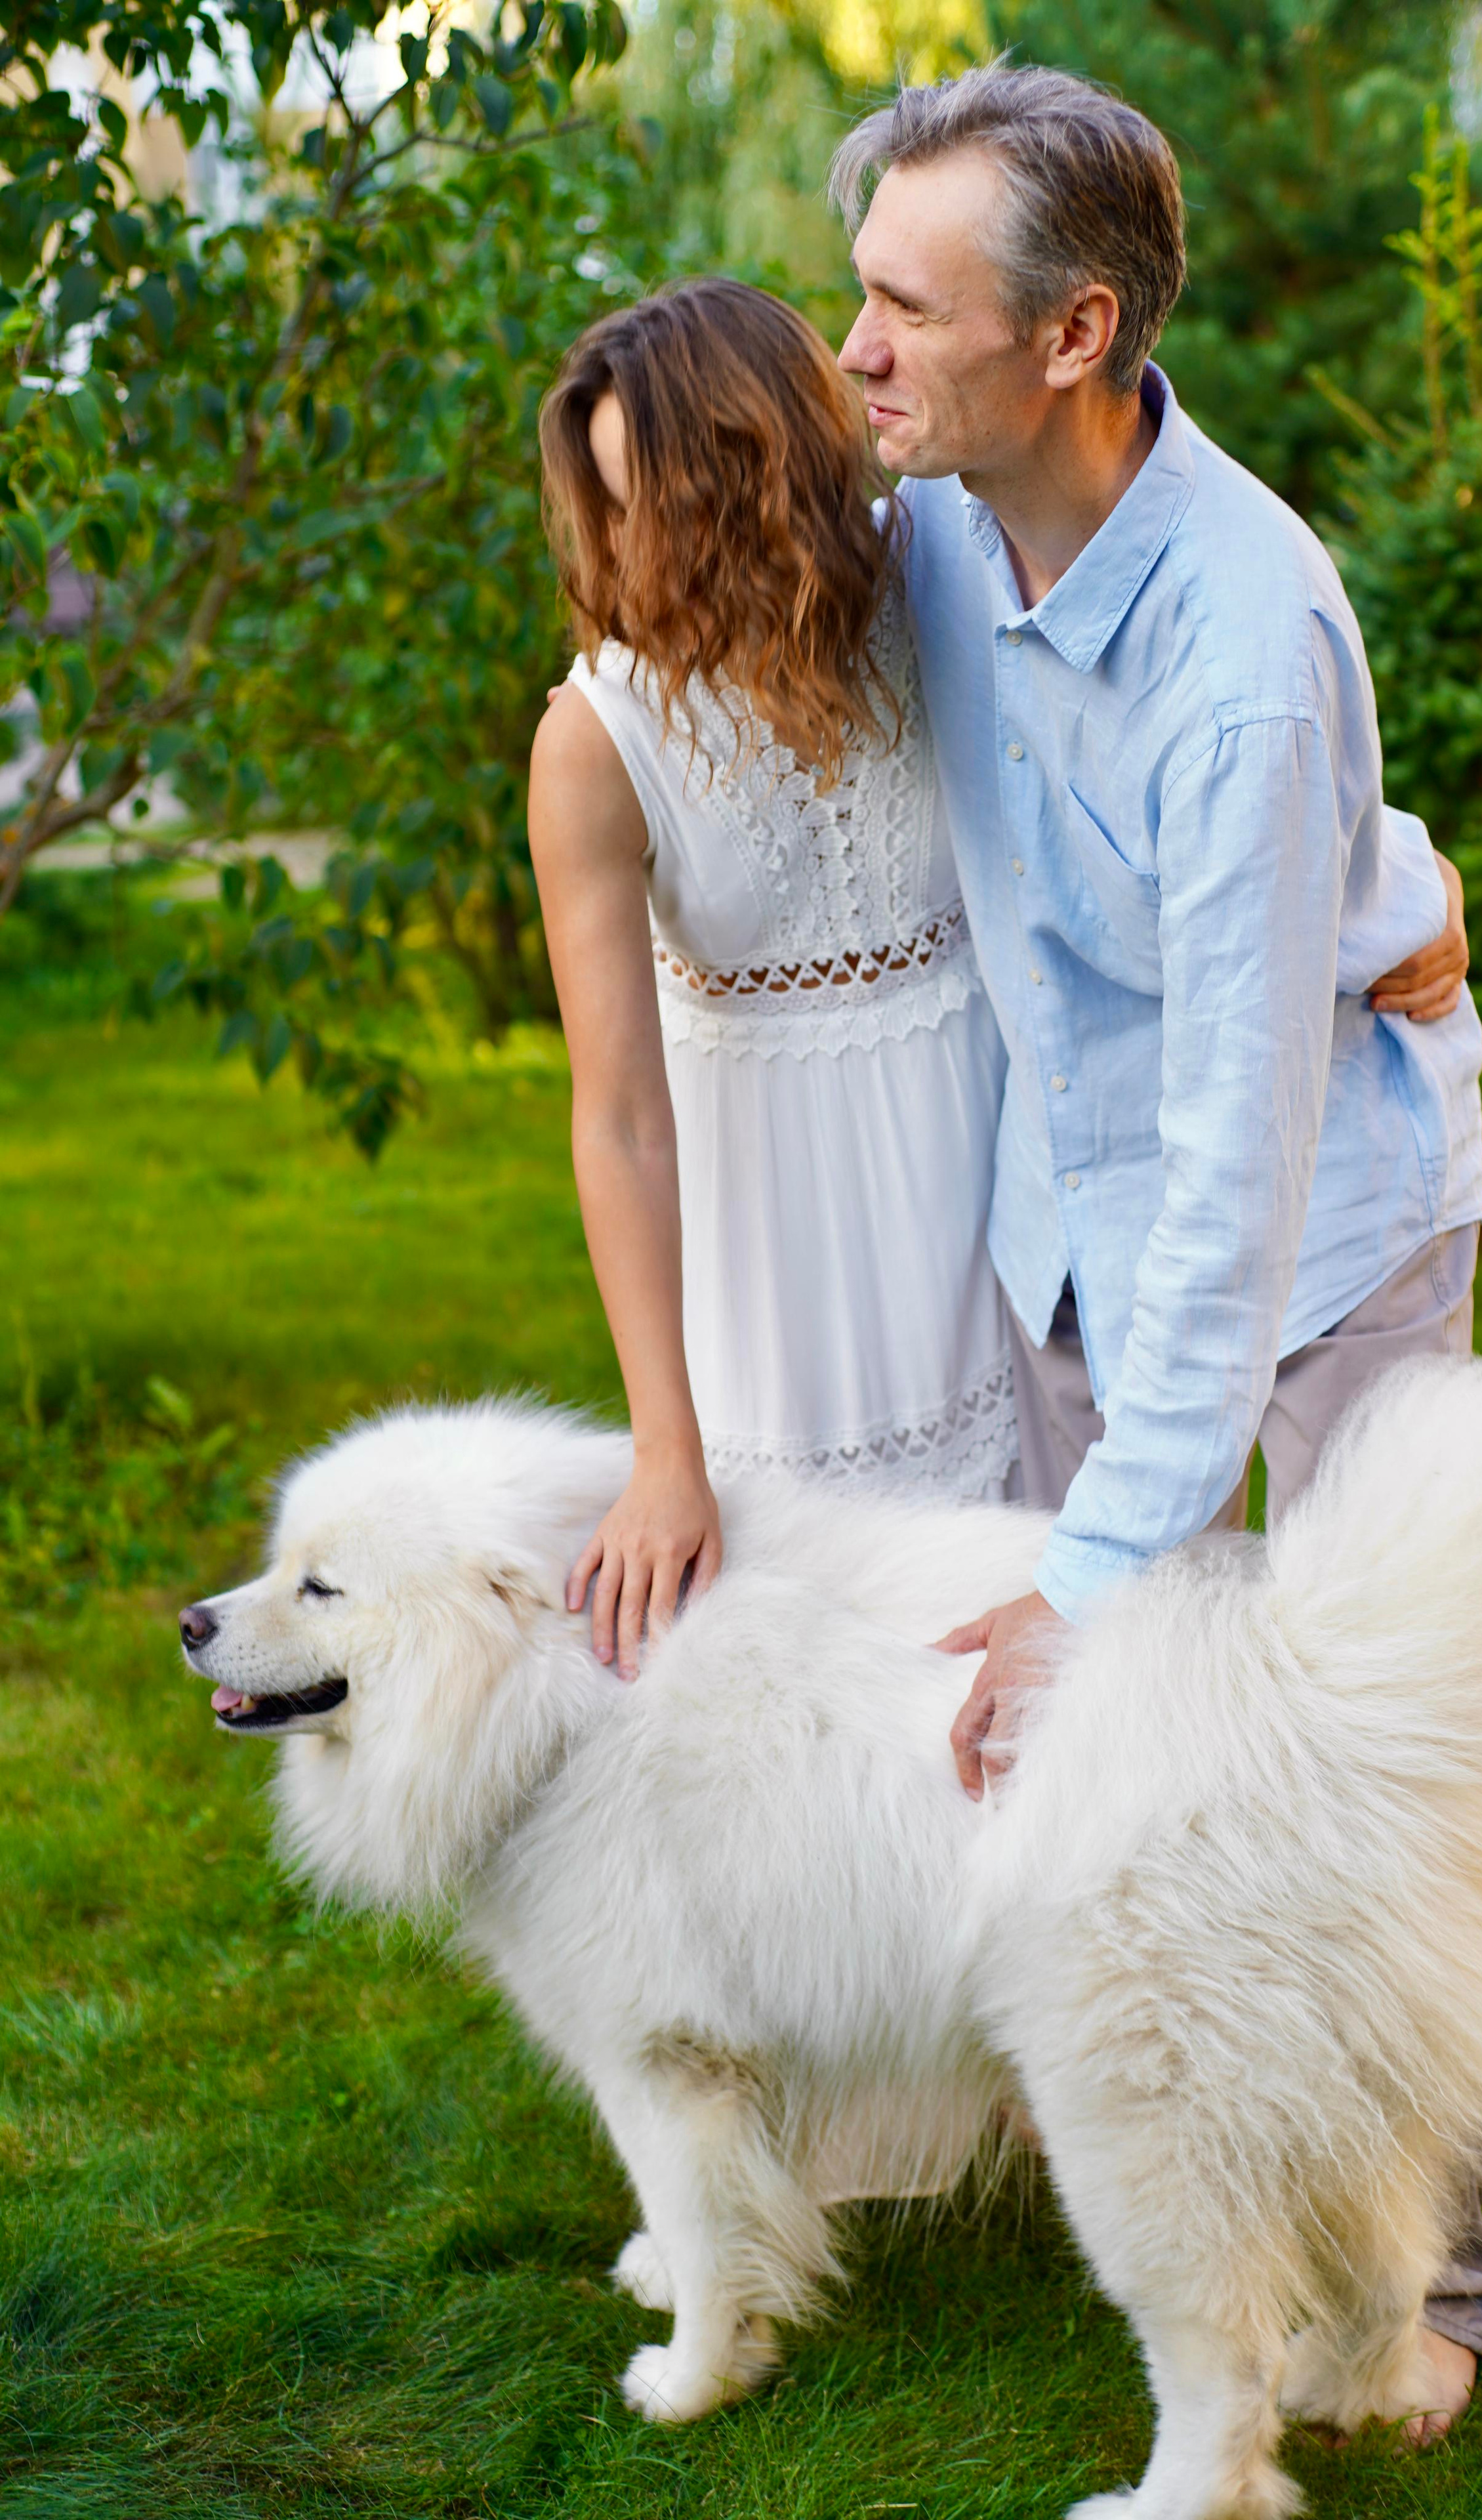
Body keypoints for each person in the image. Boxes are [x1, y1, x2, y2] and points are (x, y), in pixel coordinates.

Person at [830, 58, 1482, 2437]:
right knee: (1129, 1769)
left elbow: (1237, 1150)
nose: (859, 352)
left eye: (905, 306)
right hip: (1070, 1230)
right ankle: (1160, 2153)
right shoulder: (931, 515)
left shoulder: (1241, 640)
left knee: (1331, 1765)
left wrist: (1112, 1555)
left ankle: (1422, 2289)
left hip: (1312, 1246)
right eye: (858, 291)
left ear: (1078, 333)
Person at [527, 280, 1019, 1681]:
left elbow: (1168, 708)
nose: (631, 553)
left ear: (769, 474)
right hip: (777, 1284)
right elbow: (617, 1119)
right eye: (608, 508)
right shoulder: (596, 740)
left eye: (661, 506)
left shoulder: (940, 572)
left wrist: (1394, 879)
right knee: (825, 1698)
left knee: (1029, 1675)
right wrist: (662, 1452)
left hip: (998, 1209)